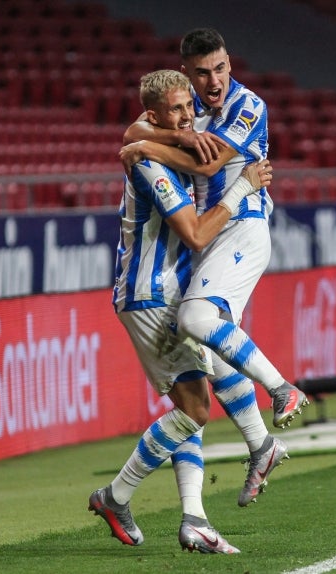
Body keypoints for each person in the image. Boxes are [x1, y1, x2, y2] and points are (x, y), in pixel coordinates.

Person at [121, 28, 309, 506]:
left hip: (240, 224)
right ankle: (259, 449)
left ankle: (283, 388)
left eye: (220, 68)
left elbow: (206, 166)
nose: (214, 80)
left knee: (196, 320)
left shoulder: (247, 106)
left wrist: (145, 150)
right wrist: (155, 138)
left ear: (231, 64)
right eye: (203, 72)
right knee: (208, 355)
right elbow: (133, 131)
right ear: (187, 73)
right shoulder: (187, 109)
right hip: (206, 238)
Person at [89, 69, 273, 553]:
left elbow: (145, 138)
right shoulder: (151, 165)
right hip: (149, 295)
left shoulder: (162, 145)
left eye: (190, 106)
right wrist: (242, 189)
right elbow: (194, 233)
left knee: (202, 381)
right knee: (194, 407)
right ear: (155, 116)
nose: (189, 116)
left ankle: (194, 517)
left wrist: (171, 137)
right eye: (177, 109)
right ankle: (117, 495)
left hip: (168, 291)